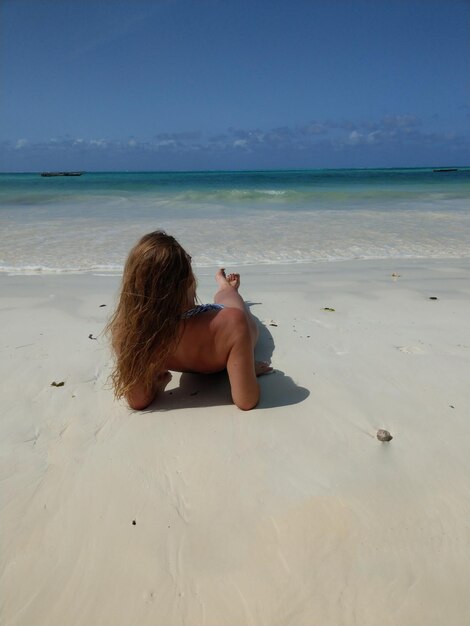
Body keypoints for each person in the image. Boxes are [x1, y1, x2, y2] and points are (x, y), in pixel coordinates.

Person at [107, 231, 272, 411]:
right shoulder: (232, 322)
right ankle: (226, 287)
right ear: (187, 282)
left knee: (227, 303)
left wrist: (156, 384)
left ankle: (226, 286)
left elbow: (137, 401)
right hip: (229, 328)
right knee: (230, 300)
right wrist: (246, 371)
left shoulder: (129, 330)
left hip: (199, 323)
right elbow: (246, 401)